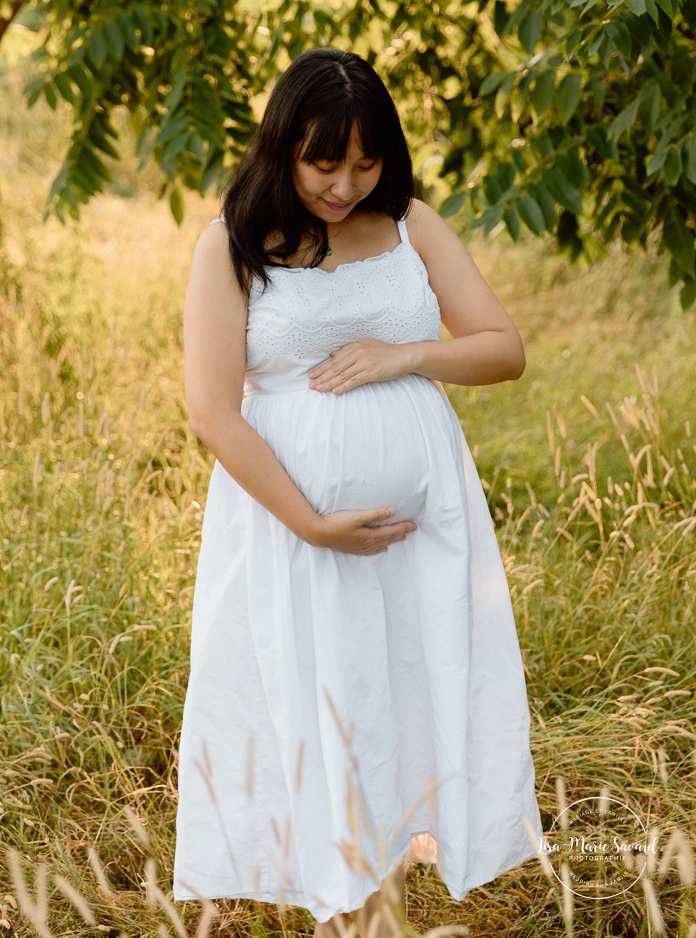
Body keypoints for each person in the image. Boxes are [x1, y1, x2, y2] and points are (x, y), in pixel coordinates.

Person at [172, 47, 543, 936]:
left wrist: (403, 355)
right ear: (282, 148)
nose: (344, 184)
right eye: (322, 162)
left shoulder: (409, 222)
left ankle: (392, 906)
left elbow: (502, 347)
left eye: (364, 162)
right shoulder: (230, 243)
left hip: (424, 533)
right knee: (327, 709)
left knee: (407, 696)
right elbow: (213, 412)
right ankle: (350, 919)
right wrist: (313, 524)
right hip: (297, 530)